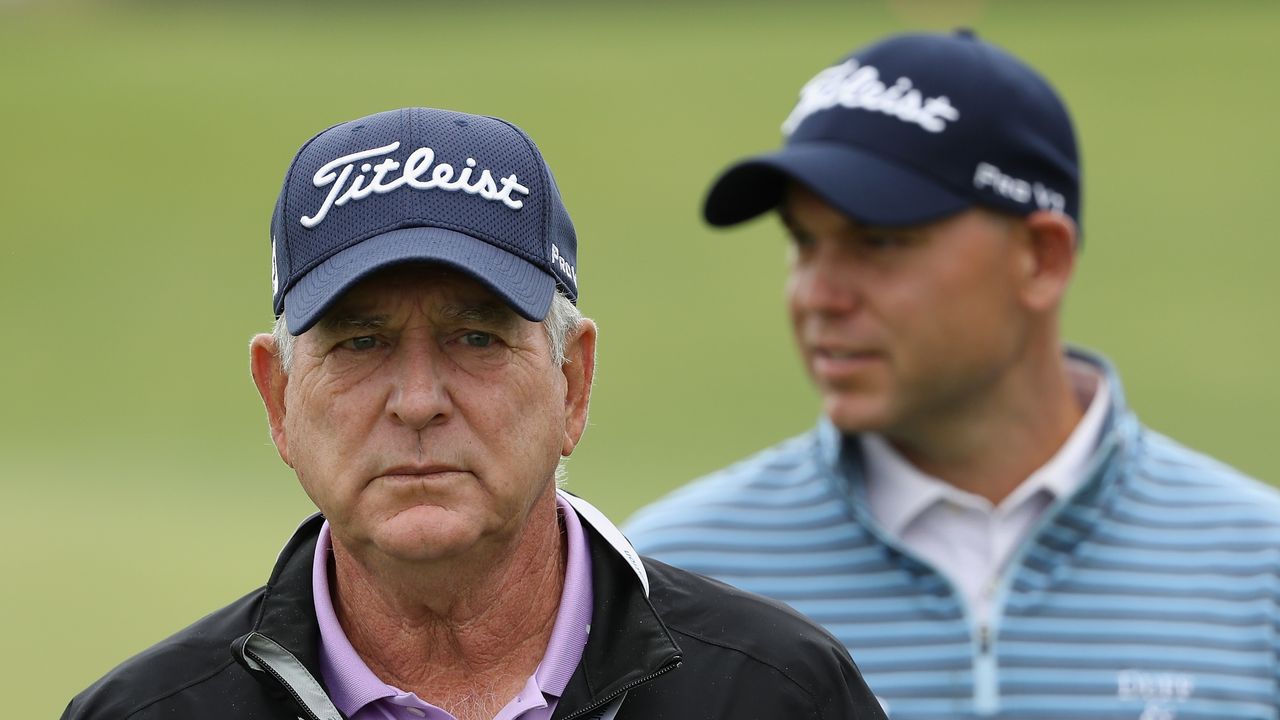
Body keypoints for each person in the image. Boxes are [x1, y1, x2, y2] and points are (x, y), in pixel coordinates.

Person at [62, 108, 886, 720]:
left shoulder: (777, 694)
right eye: (359, 343)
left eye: (477, 337)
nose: (419, 401)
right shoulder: (145, 714)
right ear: (278, 398)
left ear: (574, 381)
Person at [624, 30, 1280, 719]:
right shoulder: (669, 576)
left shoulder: (1260, 572)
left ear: (1040, 258)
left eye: (878, 242)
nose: (819, 295)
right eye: (803, 241)